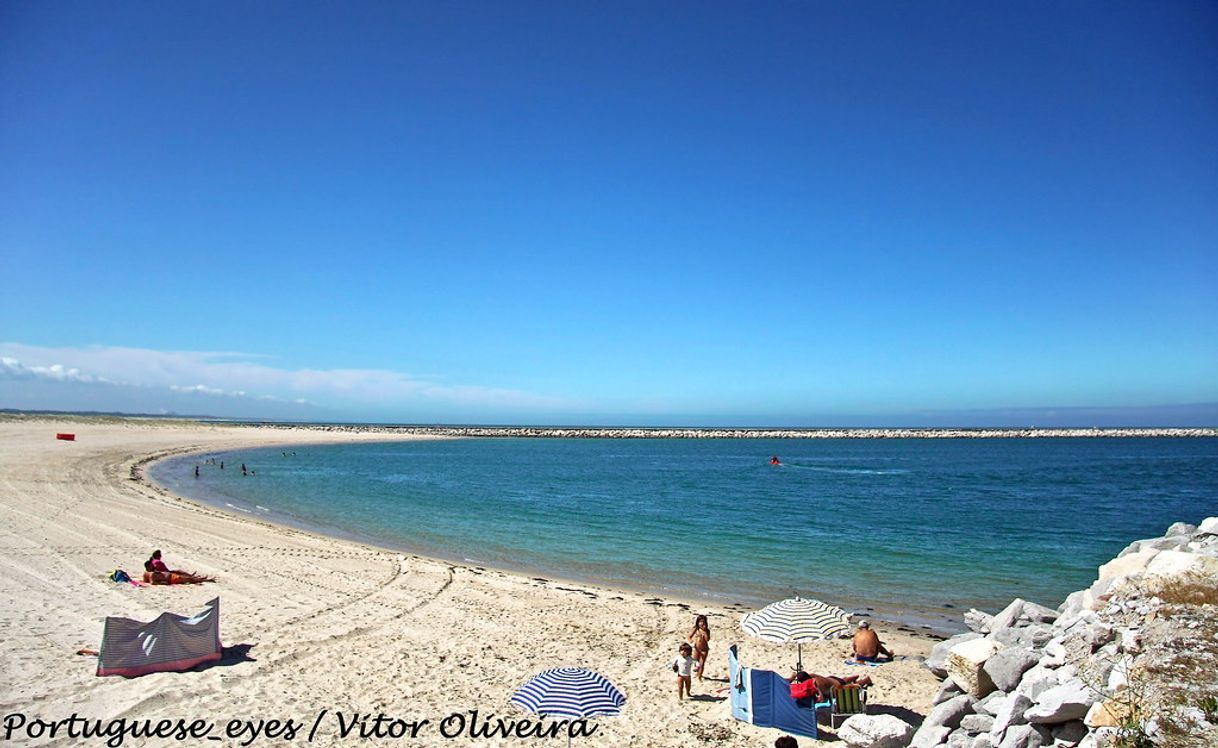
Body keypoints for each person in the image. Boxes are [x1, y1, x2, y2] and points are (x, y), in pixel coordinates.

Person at [786, 670, 872, 706]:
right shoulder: (812, 676)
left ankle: (864, 681)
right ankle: (853, 677)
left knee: (852, 687)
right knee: (844, 680)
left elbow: (822, 699)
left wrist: (816, 700)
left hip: (835, 689)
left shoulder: (815, 684)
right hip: (832, 679)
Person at [143, 550, 214, 584]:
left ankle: (199, 578)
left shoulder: (151, 571)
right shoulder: (153, 571)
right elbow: (153, 582)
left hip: (170, 576)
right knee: (188, 578)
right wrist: (163, 582)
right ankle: (204, 580)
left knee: (187, 578)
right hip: (171, 578)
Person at [688, 614, 711, 681]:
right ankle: (697, 670)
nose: (702, 623)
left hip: (704, 649)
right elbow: (689, 636)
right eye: (700, 622)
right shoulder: (696, 629)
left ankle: (699, 676)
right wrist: (690, 640)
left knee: (702, 663)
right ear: (697, 622)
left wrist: (704, 632)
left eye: (703, 622)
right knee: (695, 661)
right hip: (696, 648)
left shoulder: (707, 630)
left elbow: (707, 639)